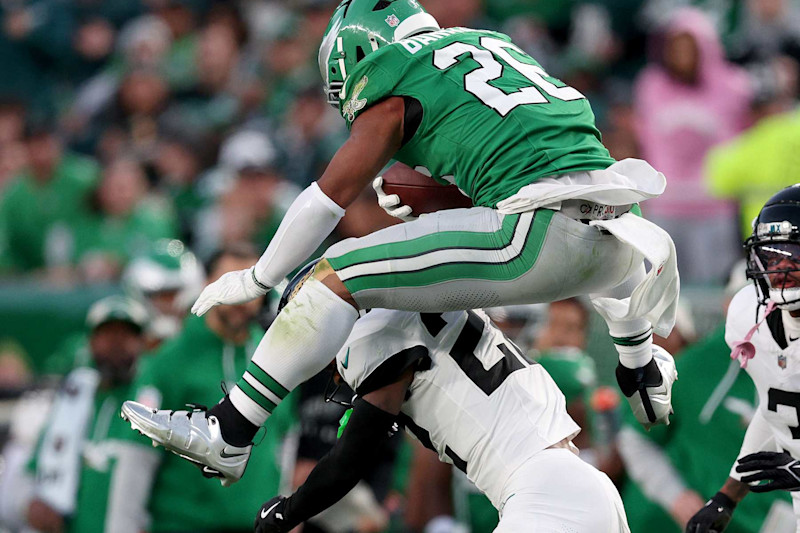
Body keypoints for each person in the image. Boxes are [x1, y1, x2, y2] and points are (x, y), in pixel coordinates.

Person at [121, 0, 680, 486]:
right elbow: (562, 181)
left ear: (360, 53)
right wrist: (635, 353)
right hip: (624, 236)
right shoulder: (493, 45)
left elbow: (327, 198)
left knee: (331, 275)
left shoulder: (398, 74)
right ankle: (643, 372)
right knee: (594, 246)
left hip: (534, 235)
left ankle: (230, 428)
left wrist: (257, 277)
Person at [250, 263, 637, 533]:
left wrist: (287, 511)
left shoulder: (369, 337)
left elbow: (348, 462)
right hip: (580, 488)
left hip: (545, 496)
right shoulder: (421, 301)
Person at [107, 246, 294, 533]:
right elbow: (137, 458)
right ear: (207, 285)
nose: (242, 298)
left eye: (253, 286)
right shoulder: (170, 359)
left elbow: (285, 444)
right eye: (231, 283)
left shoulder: (276, 354)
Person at [685, 185, 800, 532]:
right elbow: (777, 410)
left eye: (795, 253)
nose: (782, 267)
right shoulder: (748, 317)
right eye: (772, 255)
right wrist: (726, 497)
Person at [25, 295, 149, 533]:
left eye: (126, 335)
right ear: (91, 341)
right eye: (107, 334)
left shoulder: (153, 399)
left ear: (142, 342)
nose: (116, 343)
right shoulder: (73, 397)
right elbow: (32, 470)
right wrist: (32, 501)